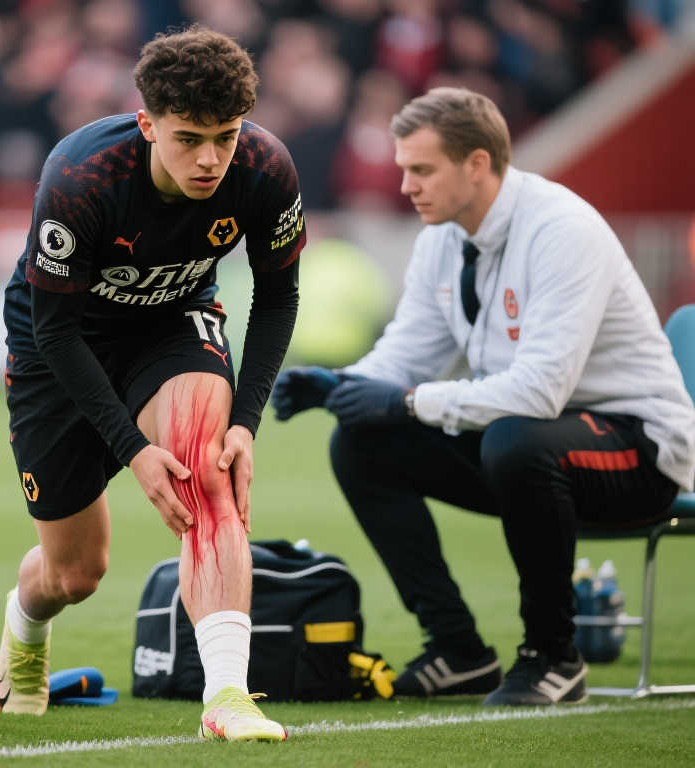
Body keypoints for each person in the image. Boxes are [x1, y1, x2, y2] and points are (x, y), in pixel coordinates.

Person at [271, 87, 695, 707]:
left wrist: (408, 402)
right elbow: (407, 355)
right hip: (533, 444)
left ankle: (553, 655)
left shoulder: (562, 230)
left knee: (515, 439)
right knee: (362, 442)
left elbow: (539, 391)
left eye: (422, 170)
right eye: (404, 170)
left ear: (476, 164)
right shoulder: (443, 236)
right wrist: (341, 385)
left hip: (640, 452)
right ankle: (458, 650)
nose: (406, 187)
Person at [0, 26, 305, 741]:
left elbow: (278, 298)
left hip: (174, 324)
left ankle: (227, 696)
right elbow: (55, 333)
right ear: (148, 124)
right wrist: (133, 450)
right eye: (188, 139)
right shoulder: (80, 177)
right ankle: (24, 627)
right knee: (76, 574)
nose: (210, 160)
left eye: (225, 137)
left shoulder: (265, 168)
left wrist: (244, 423)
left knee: (209, 475)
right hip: (63, 343)